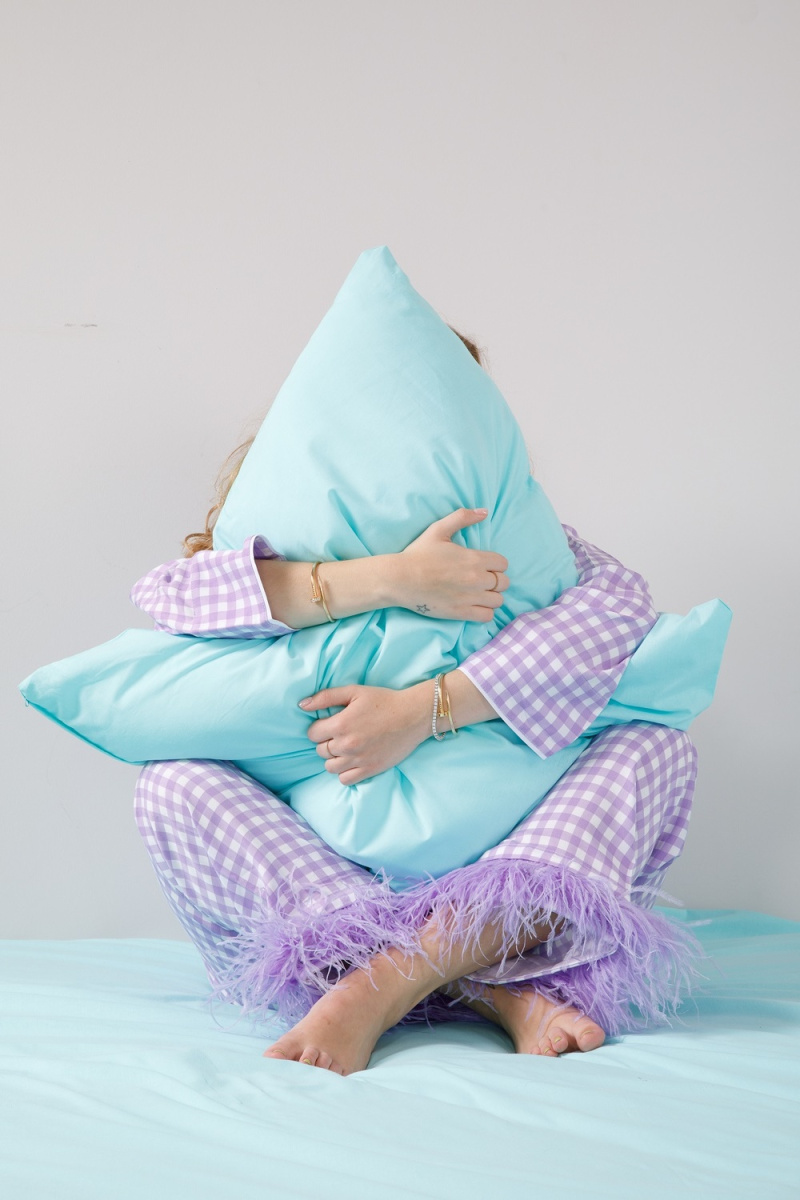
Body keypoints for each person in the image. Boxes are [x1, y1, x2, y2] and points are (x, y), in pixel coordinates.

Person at [131, 333, 700, 1076]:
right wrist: (393, 579)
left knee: (657, 747)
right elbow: (170, 597)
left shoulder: (525, 545)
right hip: (332, 881)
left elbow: (619, 606)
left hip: (503, 867)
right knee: (172, 782)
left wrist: (424, 711)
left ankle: (384, 983)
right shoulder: (274, 543)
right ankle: (483, 987)